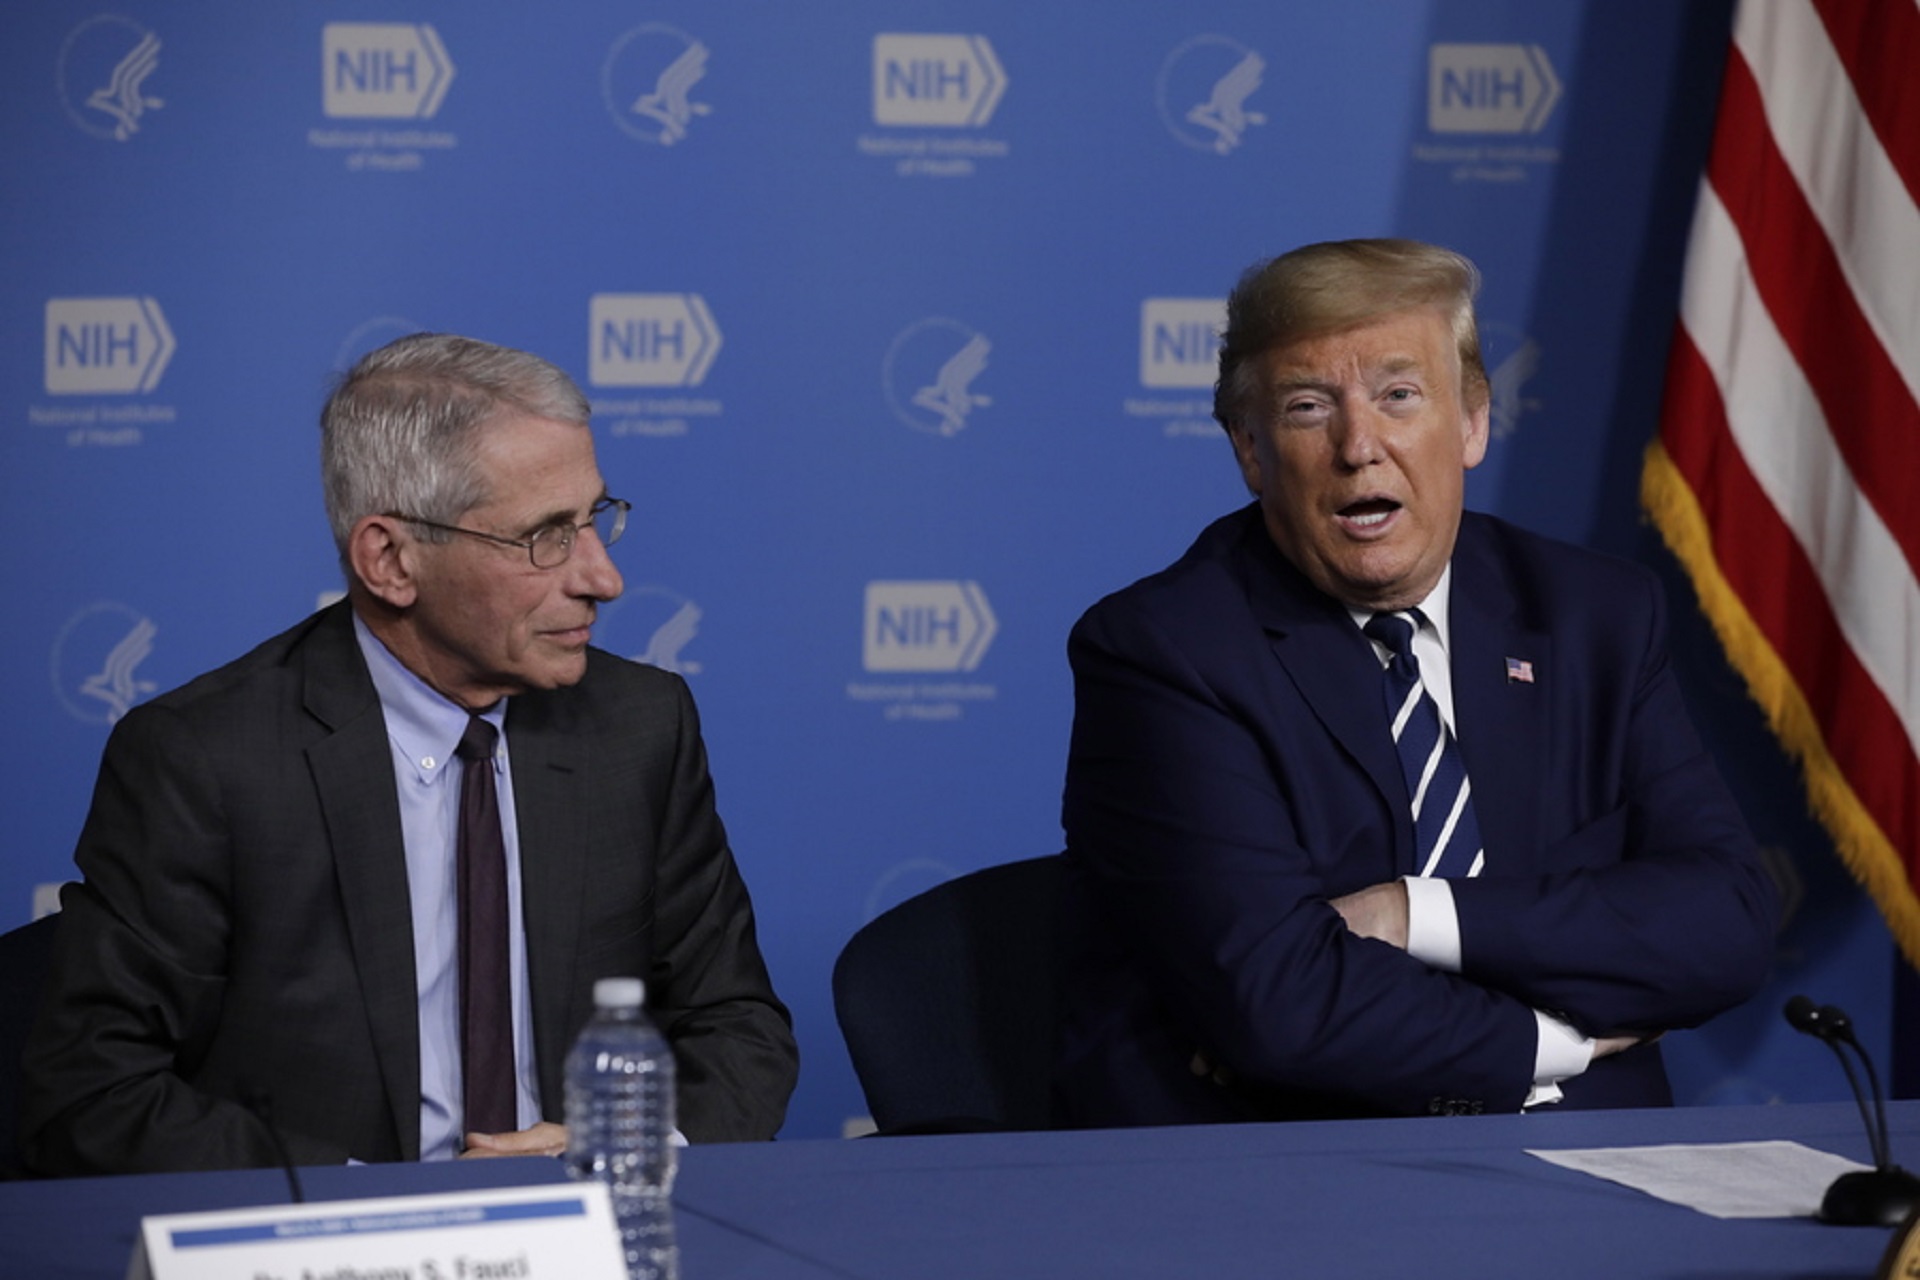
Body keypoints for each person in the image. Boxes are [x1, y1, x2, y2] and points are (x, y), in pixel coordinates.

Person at [21, 334, 798, 1174]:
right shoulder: (205, 760)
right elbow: (90, 1088)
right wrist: (376, 1212)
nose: (602, 578)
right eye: (545, 537)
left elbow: (738, 1027)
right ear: (390, 560)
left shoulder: (639, 724)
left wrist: (623, 1148)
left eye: (594, 519)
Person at [1054, 239, 1778, 1126]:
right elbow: (1281, 1005)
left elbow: (1729, 921)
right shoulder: (1167, 652)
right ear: (1250, 449)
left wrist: (1411, 914)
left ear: (1472, 421)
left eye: (1400, 395)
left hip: (1594, 1163)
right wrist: (1566, 1045)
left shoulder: (1595, 618)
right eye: (1308, 407)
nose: (1361, 447)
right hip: (1292, 1167)